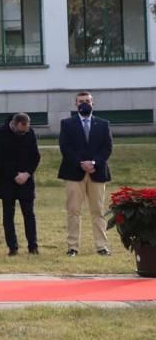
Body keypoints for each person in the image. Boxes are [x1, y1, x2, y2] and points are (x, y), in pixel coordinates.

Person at [58, 91, 114, 257]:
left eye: (87, 101)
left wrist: (94, 162)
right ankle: (73, 247)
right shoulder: (67, 124)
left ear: (92, 103)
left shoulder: (103, 124)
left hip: (97, 172)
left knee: (98, 211)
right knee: (73, 211)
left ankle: (101, 246)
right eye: (81, 101)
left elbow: (107, 147)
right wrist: (80, 163)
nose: (84, 104)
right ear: (76, 104)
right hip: (74, 172)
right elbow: (65, 147)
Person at [0, 112, 41, 256]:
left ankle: (33, 246)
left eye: (26, 131)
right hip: (6, 180)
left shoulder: (30, 133)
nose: (23, 133)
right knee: (8, 215)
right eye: (21, 131)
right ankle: (12, 247)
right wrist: (14, 175)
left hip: (26, 180)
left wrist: (27, 173)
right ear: (14, 124)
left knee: (29, 214)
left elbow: (35, 156)